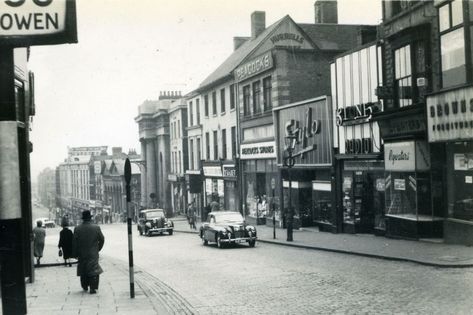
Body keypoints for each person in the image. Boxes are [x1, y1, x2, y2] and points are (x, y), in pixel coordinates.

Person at [73, 210, 105, 294]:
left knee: (83, 269)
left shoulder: (77, 228)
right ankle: (93, 287)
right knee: (93, 269)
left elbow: (75, 243)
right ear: (90, 218)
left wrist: (75, 253)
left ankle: (85, 286)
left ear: (83, 218)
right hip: (93, 253)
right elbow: (102, 239)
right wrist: (98, 249)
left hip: (82, 253)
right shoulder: (96, 227)